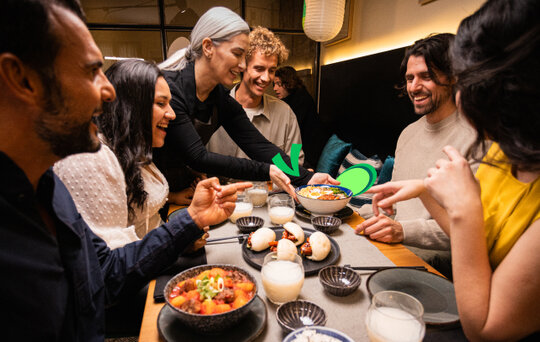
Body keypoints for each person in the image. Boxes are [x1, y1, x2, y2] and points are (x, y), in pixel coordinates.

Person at [0, 1, 250, 340]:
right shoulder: (85, 161)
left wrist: (191, 221)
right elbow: (199, 156)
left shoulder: (48, 187)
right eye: (91, 71)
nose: (108, 91)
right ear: (21, 78)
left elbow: (103, 274)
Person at [366, 0, 540, 339]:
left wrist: (458, 207)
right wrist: (424, 189)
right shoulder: (506, 153)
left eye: (471, 80)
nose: (464, 95)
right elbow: (476, 236)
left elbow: (483, 330)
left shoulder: (484, 142)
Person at [155, 7, 336, 197]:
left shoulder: (220, 99)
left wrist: (306, 178)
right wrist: (266, 170)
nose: (242, 65)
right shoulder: (169, 90)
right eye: (237, 54)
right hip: (153, 194)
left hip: (179, 193)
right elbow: (198, 157)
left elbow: (260, 146)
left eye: (272, 70)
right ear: (208, 47)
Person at [355, 33, 479, 276]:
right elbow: (398, 206)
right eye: (410, 78)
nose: (413, 87)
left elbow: (470, 231)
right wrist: (371, 213)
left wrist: (402, 230)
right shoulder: (408, 133)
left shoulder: (475, 138)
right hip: (391, 245)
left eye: (426, 76)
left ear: (453, 76)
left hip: (435, 264)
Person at [54, 59, 207, 249]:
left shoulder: (132, 149)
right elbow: (111, 258)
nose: (172, 114)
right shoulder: (91, 158)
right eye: (161, 103)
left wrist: (180, 240)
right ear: (132, 107)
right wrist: (177, 237)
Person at [207, 26, 304, 166]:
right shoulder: (214, 109)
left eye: (271, 70)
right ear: (242, 66)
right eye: (259, 68)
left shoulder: (286, 113)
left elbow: (296, 162)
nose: (266, 78)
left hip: (272, 188)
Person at [274, 66, 328, 169]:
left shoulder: (301, 100)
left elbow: (294, 136)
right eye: (274, 84)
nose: (275, 88)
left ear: (288, 83)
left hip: (310, 152)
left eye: (279, 84)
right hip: (300, 149)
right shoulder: (290, 100)